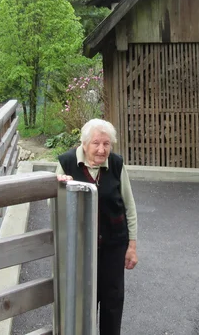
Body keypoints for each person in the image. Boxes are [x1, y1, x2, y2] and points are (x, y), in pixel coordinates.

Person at [56, 118, 137, 335]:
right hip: (80, 247)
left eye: (106, 144)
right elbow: (53, 205)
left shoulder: (117, 164)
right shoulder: (66, 163)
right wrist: (61, 187)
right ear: (84, 144)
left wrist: (132, 246)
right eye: (96, 143)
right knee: (83, 301)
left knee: (113, 299)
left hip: (113, 244)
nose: (102, 150)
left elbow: (129, 206)